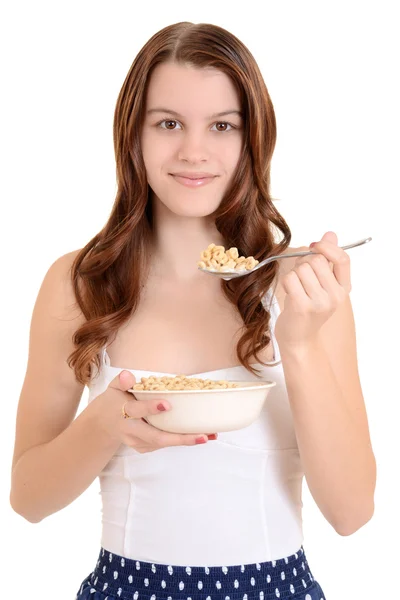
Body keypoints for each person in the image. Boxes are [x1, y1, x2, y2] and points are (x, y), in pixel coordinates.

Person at [10, 21, 376, 600]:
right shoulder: (79, 284)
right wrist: (104, 425)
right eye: (169, 123)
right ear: (133, 135)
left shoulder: (300, 287)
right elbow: (28, 499)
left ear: (252, 137)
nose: (194, 151)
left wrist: (300, 344)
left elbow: (352, 512)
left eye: (223, 125)